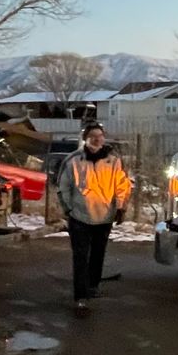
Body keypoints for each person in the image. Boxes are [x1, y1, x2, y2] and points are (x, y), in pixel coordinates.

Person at [52, 121, 133, 312]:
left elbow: (123, 186)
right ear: (85, 140)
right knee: (80, 257)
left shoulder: (113, 161)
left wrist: (120, 208)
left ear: (104, 138)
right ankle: (80, 296)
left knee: (98, 254)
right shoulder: (73, 161)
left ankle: (93, 286)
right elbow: (63, 187)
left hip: (104, 217)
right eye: (92, 136)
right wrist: (69, 210)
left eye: (100, 136)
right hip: (80, 217)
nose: (97, 139)